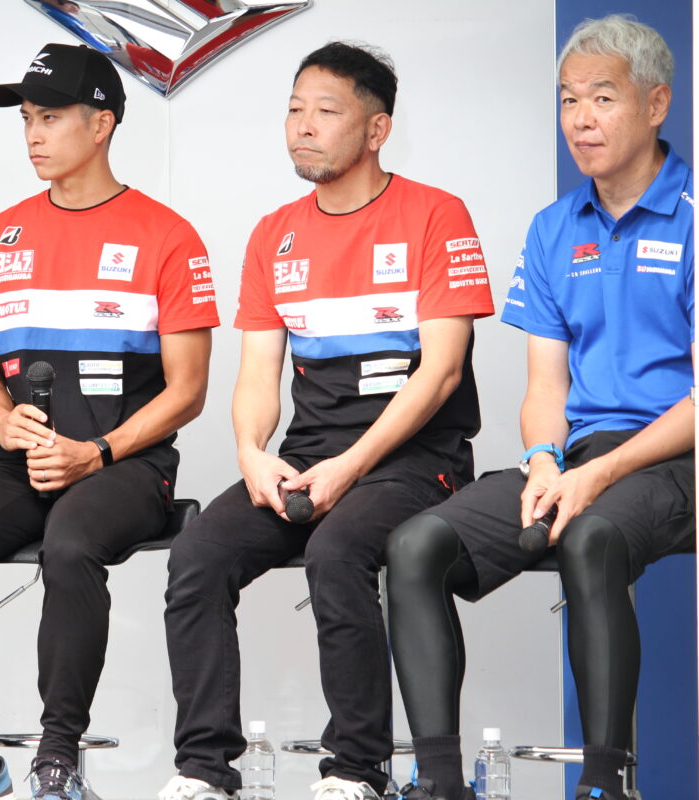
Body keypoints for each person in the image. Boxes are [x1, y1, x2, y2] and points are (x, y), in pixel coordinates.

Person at [159, 42, 495, 800]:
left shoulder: (436, 215)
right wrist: (251, 451)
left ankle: (355, 769)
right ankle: (205, 769)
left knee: (337, 550)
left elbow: (441, 371)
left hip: (416, 461)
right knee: (199, 554)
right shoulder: (273, 233)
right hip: (309, 457)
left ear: (377, 130)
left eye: (325, 111)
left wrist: (351, 466)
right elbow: (257, 376)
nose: (302, 127)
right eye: (293, 109)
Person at [385, 15, 693, 800]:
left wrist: (602, 474)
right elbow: (547, 388)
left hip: (678, 459)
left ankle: (604, 784)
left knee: (591, 538)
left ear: (657, 104)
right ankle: (440, 782)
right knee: (415, 545)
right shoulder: (554, 229)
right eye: (568, 100)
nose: (581, 119)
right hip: (582, 456)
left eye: (603, 98)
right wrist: (545, 460)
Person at [0, 43, 219, 800]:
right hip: (21, 457)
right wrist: (2, 422)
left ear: (102, 123)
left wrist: (98, 452)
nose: (33, 135)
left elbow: (188, 391)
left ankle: (58, 758)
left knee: (72, 542)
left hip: (126, 460)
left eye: (50, 117)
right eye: (26, 118)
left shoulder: (168, 235)